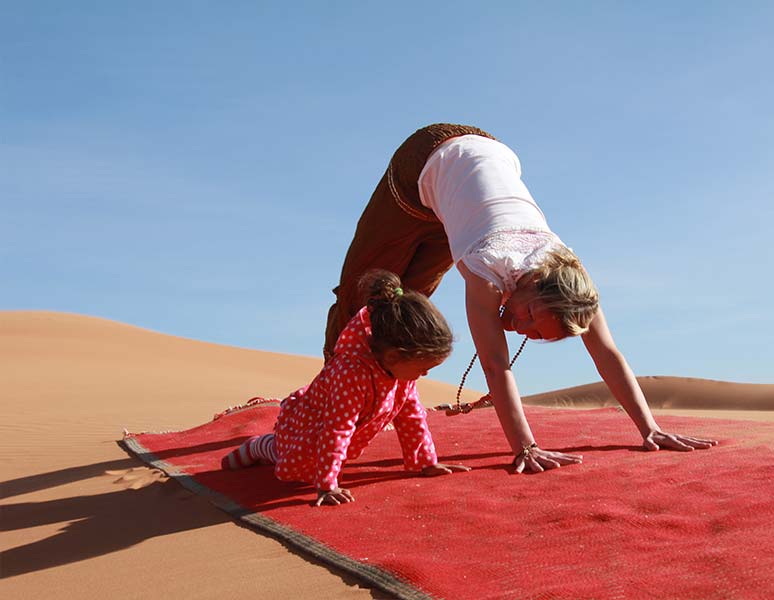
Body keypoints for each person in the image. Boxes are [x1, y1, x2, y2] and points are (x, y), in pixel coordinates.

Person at [325, 124, 717, 474]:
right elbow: (496, 368)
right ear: (530, 283)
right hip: (426, 161)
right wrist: (525, 447)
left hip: (481, 168)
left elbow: (608, 355)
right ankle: (330, 398)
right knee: (362, 295)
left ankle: (374, 400)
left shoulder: (573, 284)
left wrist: (650, 428)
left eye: (535, 334)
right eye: (529, 315)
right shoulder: (488, 270)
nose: (520, 328)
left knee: (402, 313)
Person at [223, 270, 469, 506]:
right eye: (423, 368)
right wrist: (327, 484)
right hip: (306, 429)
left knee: (315, 461)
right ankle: (257, 446)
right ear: (394, 356)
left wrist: (426, 463)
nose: (424, 375)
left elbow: (411, 416)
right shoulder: (350, 373)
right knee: (287, 458)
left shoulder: (402, 375)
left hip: (335, 437)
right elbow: (336, 428)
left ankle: (269, 448)